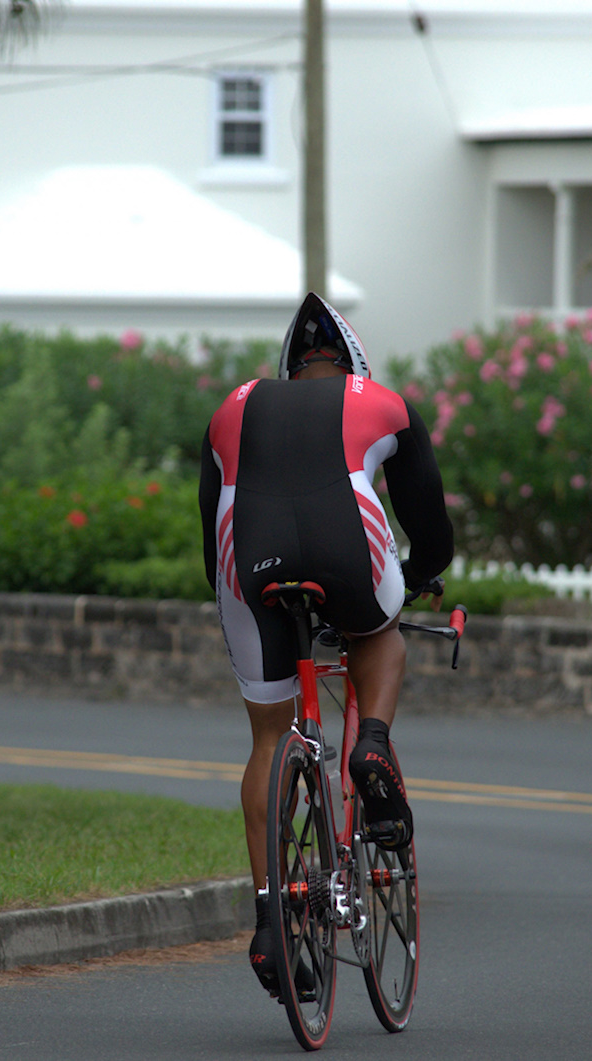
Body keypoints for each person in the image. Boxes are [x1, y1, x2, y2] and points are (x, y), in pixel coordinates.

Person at [198, 292, 454, 997]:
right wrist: (420, 576)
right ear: (355, 367)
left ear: (289, 370)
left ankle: (268, 923)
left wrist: (245, 592)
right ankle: (371, 743)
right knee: (379, 629)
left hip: (246, 557)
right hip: (348, 540)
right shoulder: (384, 403)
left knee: (266, 738)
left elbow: (208, 530)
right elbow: (430, 524)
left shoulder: (234, 404)